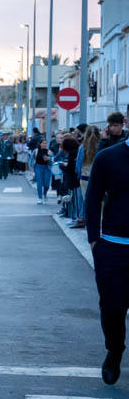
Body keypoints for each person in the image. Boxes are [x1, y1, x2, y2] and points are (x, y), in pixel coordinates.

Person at [85, 132, 129, 384]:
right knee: (112, 307)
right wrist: (94, 239)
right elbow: (92, 199)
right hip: (113, 247)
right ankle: (114, 351)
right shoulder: (108, 157)